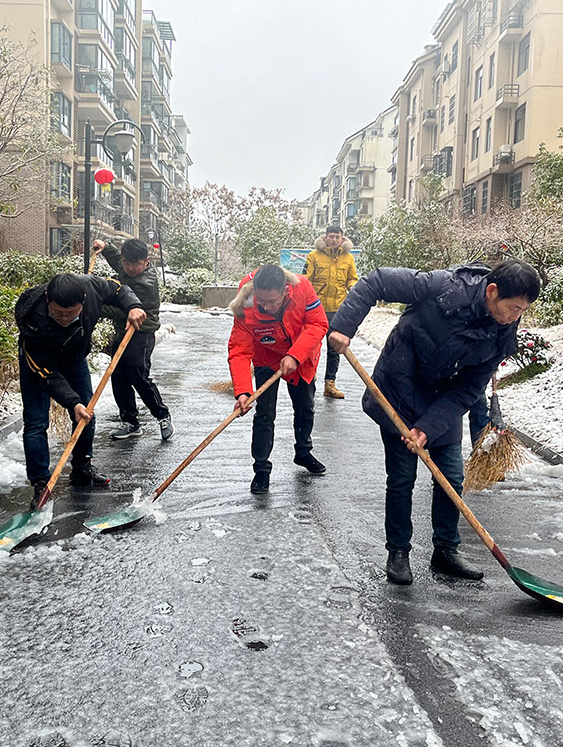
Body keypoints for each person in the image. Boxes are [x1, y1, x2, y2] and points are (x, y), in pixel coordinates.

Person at [328, 260, 540, 585]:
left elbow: (469, 388)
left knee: (452, 478)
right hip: (398, 389)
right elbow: (378, 280)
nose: (514, 317)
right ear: (493, 291)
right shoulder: (442, 286)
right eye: (513, 308)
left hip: (443, 399)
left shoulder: (501, 334)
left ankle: (446, 551)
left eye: (521, 311)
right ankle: (398, 551)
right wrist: (344, 325)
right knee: (402, 479)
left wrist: (428, 426)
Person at [15, 272, 146, 506]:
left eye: (71, 313)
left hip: (74, 356)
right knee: (36, 423)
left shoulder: (91, 288)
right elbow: (47, 375)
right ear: (47, 299)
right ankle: (41, 484)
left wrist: (133, 305)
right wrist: (72, 402)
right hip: (41, 365)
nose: (64, 318)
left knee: (87, 413)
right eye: (58, 313)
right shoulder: (31, 318)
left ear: (83, 301)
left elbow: (118, 289)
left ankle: (82, 469)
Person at [228, 264, 330, 494]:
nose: (265, 306)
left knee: (305, 407)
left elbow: (318, 323)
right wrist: (243, 391)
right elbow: (239, 350)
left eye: (271, 302)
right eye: (261, 301)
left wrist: (295, 354)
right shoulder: (246, 301)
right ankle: (261, 469)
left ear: (285, 290)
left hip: (300, 354)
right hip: (265, 356)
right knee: (264, 414)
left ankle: (303, 452)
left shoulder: (302, 287)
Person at [92, 238, 173, 441]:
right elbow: (117, 262)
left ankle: (163, 415)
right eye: (126, 262)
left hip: (142, 332)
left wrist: (95, 307)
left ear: (146, 262)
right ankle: (130, 422)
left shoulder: (145, 283)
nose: (129, 268)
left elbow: (123, 311)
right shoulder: (127, 266)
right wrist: (106, 248)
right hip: (123, 331)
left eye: (135, 264)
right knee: (118, 375)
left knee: (137, 374)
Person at [303, 225, 358, 399]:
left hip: (338, 310)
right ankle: (309, 379)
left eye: (337, 237)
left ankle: (330, 384)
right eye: (331, 236)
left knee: (334, 349)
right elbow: (306, 280)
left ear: (342, 239)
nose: (334, 239)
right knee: (311, 345)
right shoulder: (313, 256)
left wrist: (354, 289)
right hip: (316, 309)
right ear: (325, 237)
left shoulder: (348, 258)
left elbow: (352, 278)